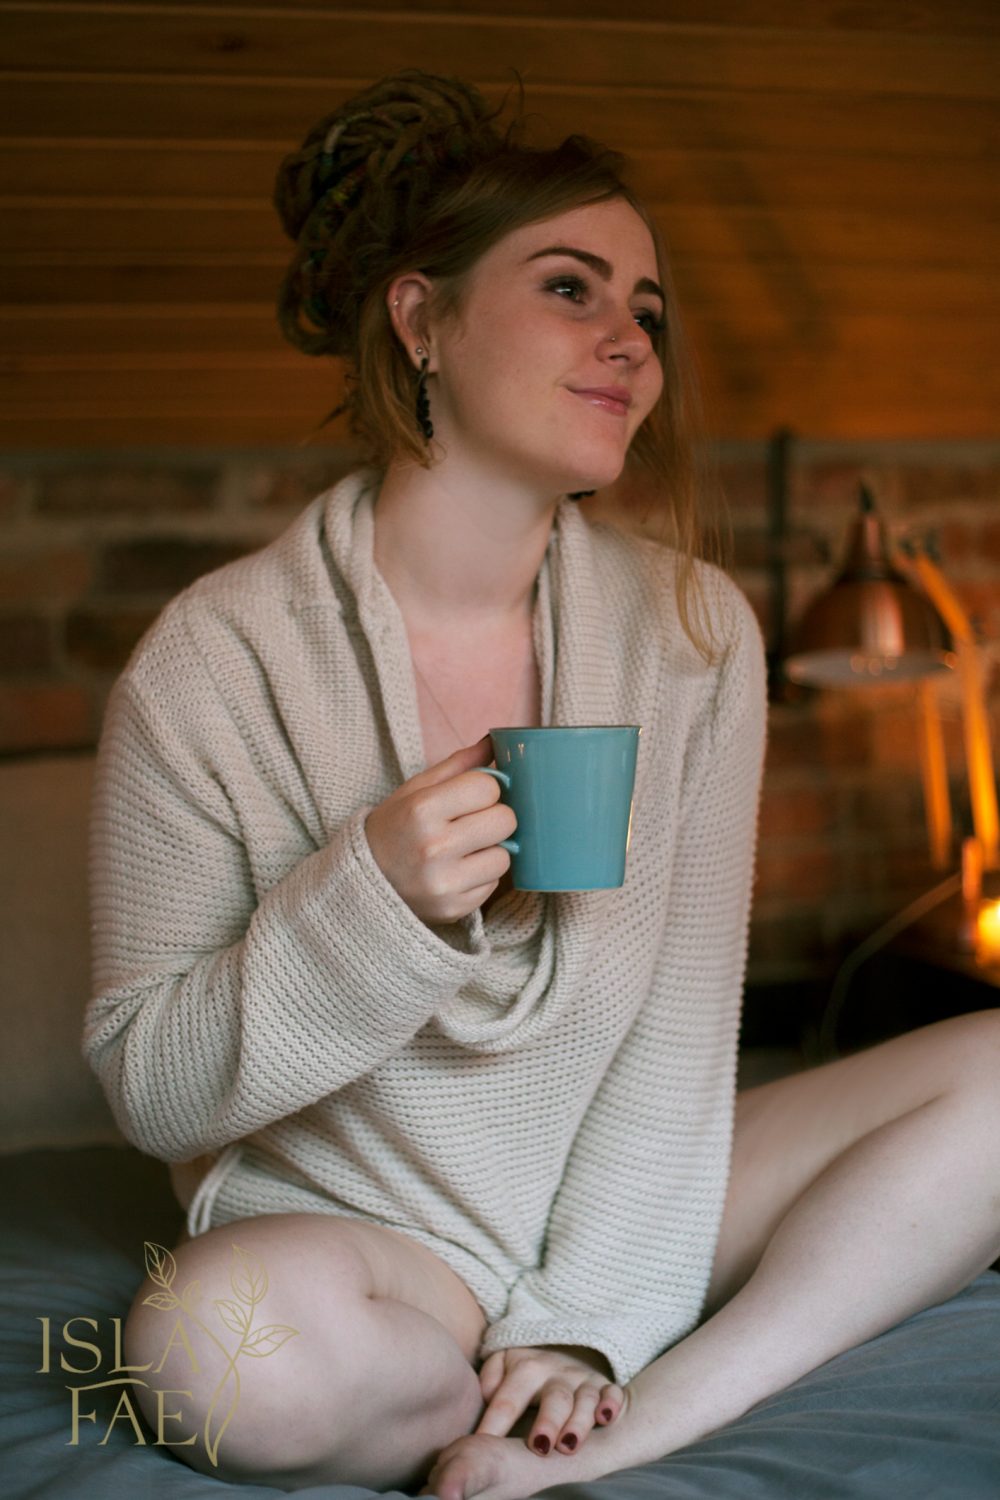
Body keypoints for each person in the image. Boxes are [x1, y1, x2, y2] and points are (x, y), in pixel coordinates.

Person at [83, 69, 1000, 1500]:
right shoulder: (213, 662)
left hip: (637, 1190)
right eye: (570, 287)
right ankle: (483, 1387)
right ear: (421, 321)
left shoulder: (694, 632)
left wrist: (585, 1318)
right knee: (204, 1354)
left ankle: (639, 1415)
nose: (629, 339)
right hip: (370, 1229)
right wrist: (369, 902)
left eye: (648, 310)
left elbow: (681, 1033)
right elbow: (153, 1087)